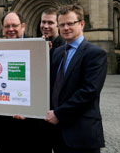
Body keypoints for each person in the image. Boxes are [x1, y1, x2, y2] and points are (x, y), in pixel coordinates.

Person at [45, 4, 107, 153]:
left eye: (70, 23)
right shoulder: (57, 52)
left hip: (82, 134)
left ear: (82, 24)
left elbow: (88, 92)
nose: (66, 28)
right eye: (62, 25)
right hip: (58, 134)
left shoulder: (95, 54)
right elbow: (49, 85)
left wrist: (58, 114)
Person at [0, 11, 38, 153]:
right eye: (7, 26)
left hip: (28, 118)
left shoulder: (37, 47)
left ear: (23, 26)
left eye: (14, 25)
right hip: (2, 120)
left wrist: (30, 111)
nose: (10, 29)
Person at [40, 8, 66, 152]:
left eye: (50, 22)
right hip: (40, 117)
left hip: (58, 115)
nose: (46, 26)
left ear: (58, 25)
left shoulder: (65, 46)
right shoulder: (37, 43)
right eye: (43, 22)